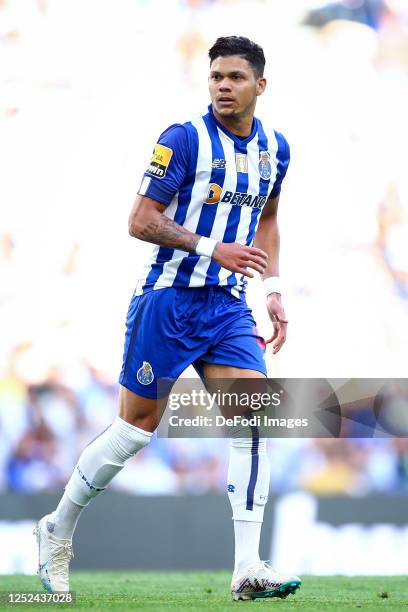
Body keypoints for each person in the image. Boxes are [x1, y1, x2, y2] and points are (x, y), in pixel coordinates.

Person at [34, 36, 301, 601]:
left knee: (254, 419)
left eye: (234, 77)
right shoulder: (183, 138)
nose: (223, 86)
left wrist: (273, 288)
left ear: (260, 84)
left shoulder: (276, 148)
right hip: (167, 301)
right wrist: (210, 247)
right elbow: (139, 219)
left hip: (227, 305)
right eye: (215, 77)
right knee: (135, 431)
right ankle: (57, 529)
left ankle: (248, 567)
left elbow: (269, 218)